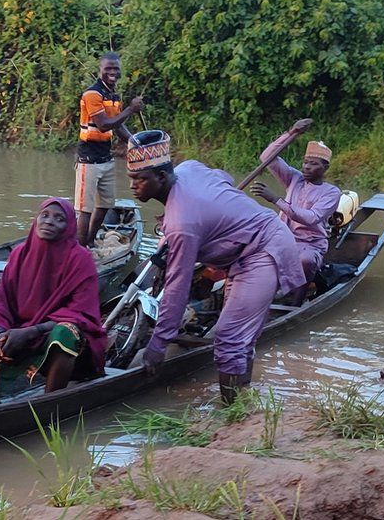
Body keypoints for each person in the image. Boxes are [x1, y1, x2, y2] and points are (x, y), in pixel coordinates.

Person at [126, 130, 305, 404]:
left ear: (161, 177)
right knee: (238, 338)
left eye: (139, 179)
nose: (132, 185)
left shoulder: (182, 224)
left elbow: (178, 284)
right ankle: (243, 400)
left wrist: (158, 344)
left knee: (228, 337)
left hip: (262, 250)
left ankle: (230, 411)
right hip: (242, 254)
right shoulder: (189, 168)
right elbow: (225, 178)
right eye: (131, 178)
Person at [0, 198, 108, 400]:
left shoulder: (81, 260)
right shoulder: (20, 253)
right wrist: (2, 331)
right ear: (36, 219)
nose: (49, 222)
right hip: (16, 333)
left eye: (59, 219)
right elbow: (2, 300)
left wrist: (32, 331)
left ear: (68, 228)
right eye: (45, 215)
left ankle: (50, 402)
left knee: (67, 332)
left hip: (50, 337)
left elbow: (80, 314)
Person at [250, 139, 341, 304]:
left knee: (305, 260)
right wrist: (292, 133)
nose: (306, 167)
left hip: (311, 244)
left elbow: (311, 218)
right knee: (250, 250)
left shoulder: (332, 192)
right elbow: (267, 157)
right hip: (282, 238)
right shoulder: (294, 178)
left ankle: (296, 303)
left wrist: (276, 199)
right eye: (305, 162)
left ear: (325, 168)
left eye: (313, 164)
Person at [76, 52, 144, 248]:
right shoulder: (92, 94)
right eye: (108, 69)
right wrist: (130, 109)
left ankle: (89, 241)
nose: (112, 72)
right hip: (88, 158)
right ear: (100, 70)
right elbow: (104, 124)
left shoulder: (113, 96)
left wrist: (135, 142)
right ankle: (80, 253)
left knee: (105, 205)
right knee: (85, 209)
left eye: (116, 69)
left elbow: (118, 126)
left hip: (106, 157)